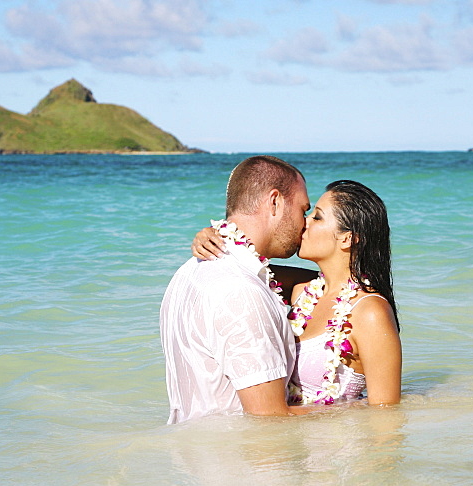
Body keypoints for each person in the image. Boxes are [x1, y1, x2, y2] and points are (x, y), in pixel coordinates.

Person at [193, 180, 402, 407]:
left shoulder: (370, 312)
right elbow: (240, 270)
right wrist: (215, 238)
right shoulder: (303, 291)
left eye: (317, 217)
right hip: (290, 439)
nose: (304, 223)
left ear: (347, 238)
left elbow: (386, 416)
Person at [160, 155, 312, 424]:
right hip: (242, 463)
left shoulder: (190, 270)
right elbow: (270, 420)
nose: (305, 223)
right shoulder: (242, 291)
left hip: (197, 459)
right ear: (275, 202)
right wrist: (365, 410)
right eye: (303, 210)